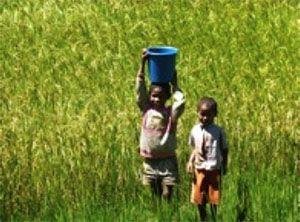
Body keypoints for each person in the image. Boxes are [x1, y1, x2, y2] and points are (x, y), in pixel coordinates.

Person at [136, 49, 185, 201]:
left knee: (167, 194)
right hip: (150, 161)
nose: (157, 99)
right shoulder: (146, 109)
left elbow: (180, 102)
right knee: (154, 195)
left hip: (168, 161)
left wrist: (175, 85)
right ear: (150, 96)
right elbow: (139, 91)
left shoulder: (170, 114)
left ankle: (168, 214)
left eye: (161, 96)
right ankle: (159, 216)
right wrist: (142, 64)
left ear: (167, 97)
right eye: (154, 96)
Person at [186, 97, 228, 221]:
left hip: (213, 168)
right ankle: (202, 217)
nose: (205, 118)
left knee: (214, 195)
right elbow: (195, 148)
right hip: (199, 168)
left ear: (215, 114)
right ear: (197, 112)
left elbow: (224, 149)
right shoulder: (194, 130)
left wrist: (224, 165)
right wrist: (190, 161)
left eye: (209, 115)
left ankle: (214, 216)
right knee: (199, 195)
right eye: (202, 114)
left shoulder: (218, 131)